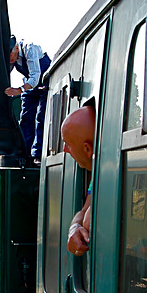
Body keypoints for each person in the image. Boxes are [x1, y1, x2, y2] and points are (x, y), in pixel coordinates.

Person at [4, 35, 51, 161]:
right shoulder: (12, 58)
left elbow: (35, 76)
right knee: (25, 118)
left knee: (41, 117)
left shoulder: (30, 48)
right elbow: (4, 74)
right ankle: (23, 153)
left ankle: (38, 154)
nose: (9, 60)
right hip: (31, 86)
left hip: (46, 83)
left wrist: (18, 90)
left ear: (16, 49)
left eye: (9, 56)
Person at [60, 103, 96, 257]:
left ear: (87, 149)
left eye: (68, 144)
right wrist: (74, 227)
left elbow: (88, 219)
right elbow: (84, 210)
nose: (65, 150)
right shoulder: (95, 178)